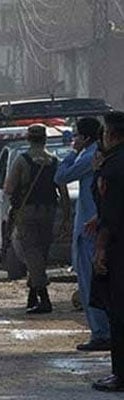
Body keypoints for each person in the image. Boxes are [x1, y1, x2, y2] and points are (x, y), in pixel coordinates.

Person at [54, 118, 110, 351]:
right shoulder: (95, 154)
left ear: (86, 137)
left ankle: (101, 333)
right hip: (90, 224)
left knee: (90, 282)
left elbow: (61, 177)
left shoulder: (89, 156)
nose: (74, 139)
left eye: (76, 135)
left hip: (90, 228)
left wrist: (70, 153)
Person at [4, 124, 70, 314]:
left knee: (32, 253)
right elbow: (63, 193)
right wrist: (66, 218)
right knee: (41, 253)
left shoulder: (22, 160)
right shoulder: (54, 161)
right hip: (49, 212)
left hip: (27, 213)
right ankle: (32, 296)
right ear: (45, 139)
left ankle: (44, 298)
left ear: (28, 138)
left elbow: (9, 189)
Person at [90, 111, 124, 392]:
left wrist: (100, 249)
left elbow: (113, 214)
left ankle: (120, 374)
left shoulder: (112, 168)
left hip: (118, 249)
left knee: (119, 313)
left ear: (111, 135)